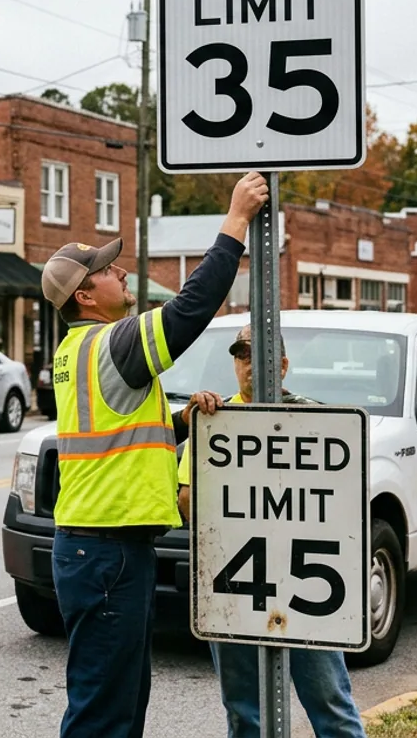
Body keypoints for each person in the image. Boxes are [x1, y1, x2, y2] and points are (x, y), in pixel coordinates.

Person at [45, 171, 269, 738]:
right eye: (106, 268)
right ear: (85, 295)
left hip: (97, 546)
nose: (120, 270)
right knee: (104, 713)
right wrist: (235, 221)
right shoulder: (114, 343)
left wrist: (180, 421)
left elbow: (118, 434)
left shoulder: (75, 351)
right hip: (107, 551)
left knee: (118, 701)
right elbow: (192, 309)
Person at [175, 325, 367, 738]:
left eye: (259, 355)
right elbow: (188, 501)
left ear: (282, 366)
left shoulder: (315, 420)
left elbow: (342, 510)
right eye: (242, 355)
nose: (249, 364)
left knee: (331, 705)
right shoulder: (215, 422)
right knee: (245, 714)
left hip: (306, 588)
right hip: (236, 588)